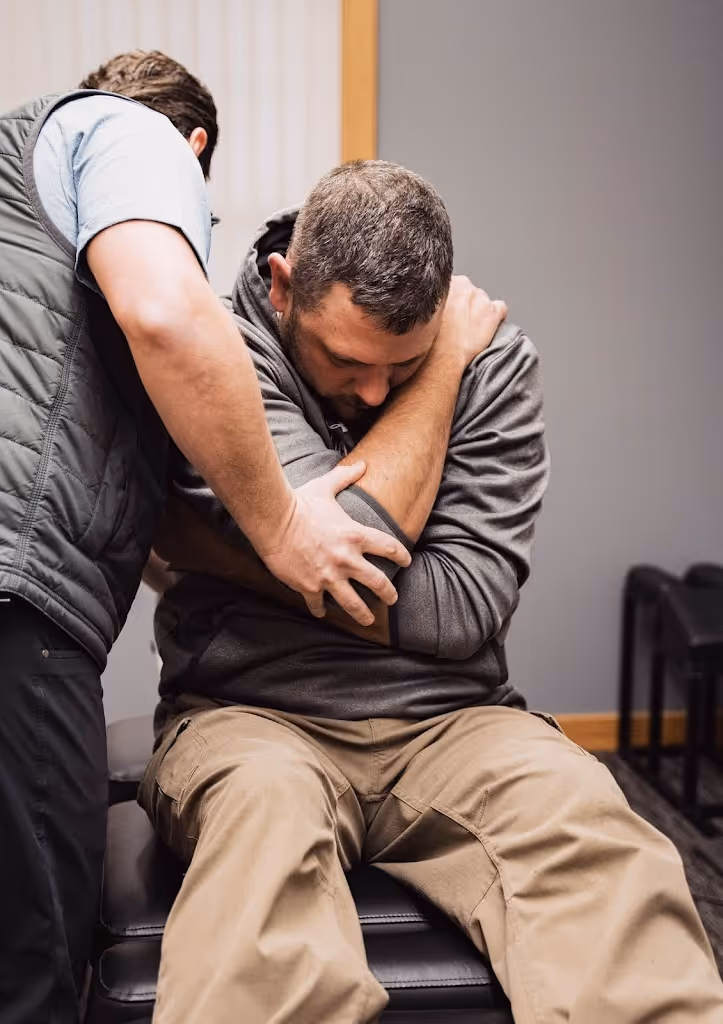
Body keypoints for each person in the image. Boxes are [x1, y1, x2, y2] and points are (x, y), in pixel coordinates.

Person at [142, 160, 723, 1024]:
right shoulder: (214, 358)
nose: (374, 391)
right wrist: (436, 371)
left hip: (456, 720)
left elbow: (458, 609)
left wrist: (228, 552)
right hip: (248, 715)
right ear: (280, 288)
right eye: (346, 360)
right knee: (262, 837)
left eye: (404, 366)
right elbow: (344, 556)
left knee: (597, 838)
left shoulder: (493, 363)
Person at [0, 52, 410, 1023]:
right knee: (18, 983)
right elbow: (169, 314)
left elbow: (141, 494)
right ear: (198, 150)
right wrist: (283, 524)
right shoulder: (126, 135)